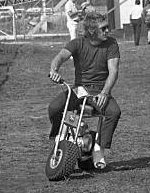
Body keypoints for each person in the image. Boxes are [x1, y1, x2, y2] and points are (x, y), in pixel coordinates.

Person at [48, 13, 121, 170]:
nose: (108, 30)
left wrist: (105, 92)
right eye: (103, 28)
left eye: (107, 27)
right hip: (79, 90)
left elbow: (113, 71)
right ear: (92, 30)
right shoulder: (77, 43)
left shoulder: (111, 44)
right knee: (54, 108)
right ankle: (59, 138)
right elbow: (60, 57)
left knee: (113, 112)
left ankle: (98, 149)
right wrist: (54, 70)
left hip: (100, 90)